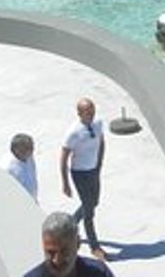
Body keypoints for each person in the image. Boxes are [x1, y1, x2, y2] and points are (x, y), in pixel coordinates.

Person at [61, 98, 107, 262]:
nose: (91, 113)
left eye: (93, 110)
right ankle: (94, 246)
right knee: (89, 210)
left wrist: (99, 163)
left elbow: (101, 142)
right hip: (79, 174)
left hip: (94, 171)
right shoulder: (73, 132)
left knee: (94, 202)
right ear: (79, 113)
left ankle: (71, 222)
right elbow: (64, 157)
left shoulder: (98, 124)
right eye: (87, 111)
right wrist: (65, 182)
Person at [24, 211, 113, 277]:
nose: (57, 260)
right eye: (51, 252)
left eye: (64, 251)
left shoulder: (100, 273)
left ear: (78, 244)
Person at [4, 133, 38, 202]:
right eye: (27, 148)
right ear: (16, 150)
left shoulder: (29, 157)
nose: (32, 151)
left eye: (32, 147)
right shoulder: (8, 169)